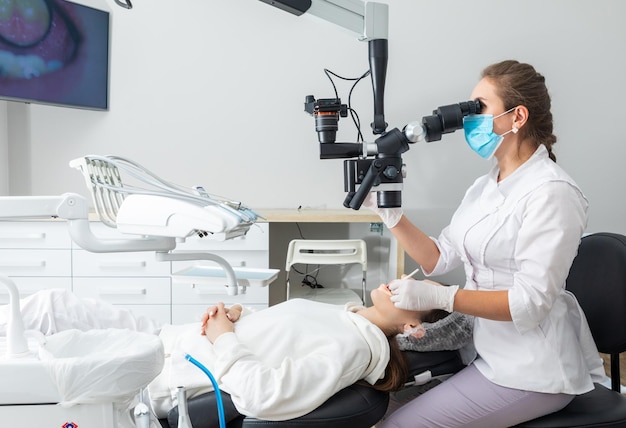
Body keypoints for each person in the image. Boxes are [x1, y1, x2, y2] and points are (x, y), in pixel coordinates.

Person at [364, 59, 605, 428]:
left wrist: (441, 298)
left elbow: (531, 302)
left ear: (517, 116)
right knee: (376, 410)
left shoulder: (552, 193)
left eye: (480, 108)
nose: (469, 120)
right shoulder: (485, 186)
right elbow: (439, 257)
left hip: (529, 371)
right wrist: (390, 215)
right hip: (485, 353)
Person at [0, 285, 446, 422]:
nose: (402, 281)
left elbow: (264, 394)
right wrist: (240, 315)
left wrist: (223, 337)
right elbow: (280, 337)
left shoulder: (353, 347)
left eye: (414, 293)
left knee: (29, 354)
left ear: (413, 327)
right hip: (169, 339)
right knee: (48, 304)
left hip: (154, 374)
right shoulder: (345, 315)